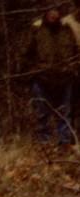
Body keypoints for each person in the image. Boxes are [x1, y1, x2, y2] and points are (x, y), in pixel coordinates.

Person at [25, 4, 78, 145]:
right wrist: (33, 72)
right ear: (45, 12)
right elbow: (26, 53)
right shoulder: (36, 29)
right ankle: (44, 143)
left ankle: (64, 142)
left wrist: (72, 69)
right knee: (42, 113)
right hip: (42, 78)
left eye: (56, 11)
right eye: (50, 10)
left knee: (65, 113)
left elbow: (75, 52)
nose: (53, 14)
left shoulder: (67, 30)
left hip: (65, 78)